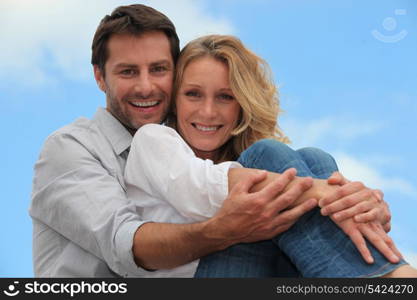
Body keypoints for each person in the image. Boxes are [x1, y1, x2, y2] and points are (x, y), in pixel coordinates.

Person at [29, 4, 392, 277]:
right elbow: (127, 245)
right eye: (127, 72)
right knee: (274, 163)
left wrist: (354, 204)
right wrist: (310, 193)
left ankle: (380, 268)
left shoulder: (197, 147)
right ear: (99, 77)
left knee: (313, 158)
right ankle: (390, 275)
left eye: (158, 69)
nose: (145, 86)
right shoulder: (73, 148)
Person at [124, 34, 416, 277]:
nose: (208, 111)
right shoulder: (154, 139)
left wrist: (361, 206)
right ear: (174, 100)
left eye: (225, 97)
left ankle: (379, 274)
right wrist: (329, 193)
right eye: (193, 94)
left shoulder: (249, 160)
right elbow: (199, 189)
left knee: (314, 159)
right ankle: (392, 276)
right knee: (269, 155)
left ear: (242, 105)